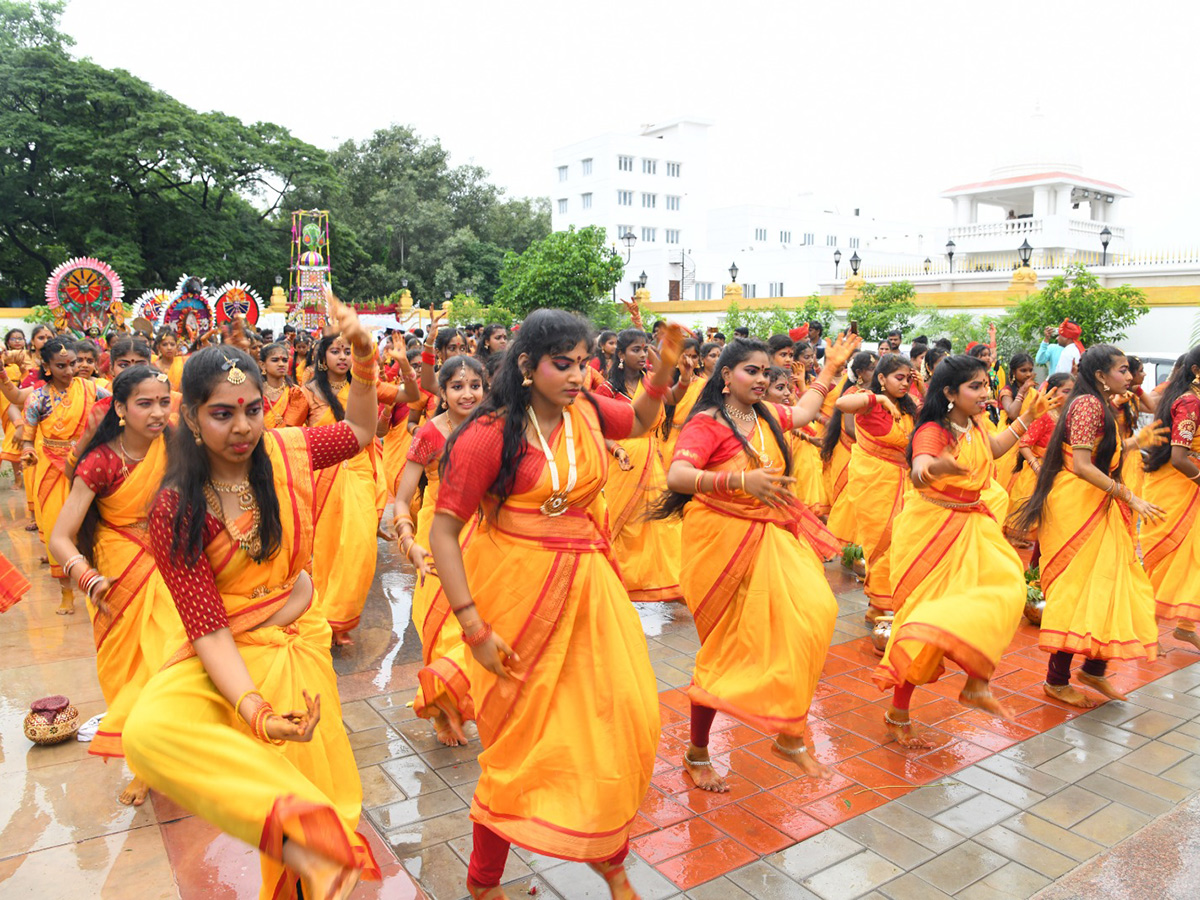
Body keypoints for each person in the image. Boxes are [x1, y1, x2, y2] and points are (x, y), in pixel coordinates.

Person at [124, 293, 383, 900]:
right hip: (233, 656)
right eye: (221, 414)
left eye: (251, 410)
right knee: (148, 732)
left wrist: (365, 362)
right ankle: (311, 859)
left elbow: (362, 431)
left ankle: (317, 867)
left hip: (298, 645)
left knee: (314, 793)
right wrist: (257, 713)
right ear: (190, 417)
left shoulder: (288, 451)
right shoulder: (176, 506)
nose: (241, 427)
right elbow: (208, 629)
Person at [427, 310, 684, 900]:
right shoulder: (491, 433)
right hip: (516, 600)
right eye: (561, 364)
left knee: (619, 723)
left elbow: (642, 420)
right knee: (522, 746)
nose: (576, 375)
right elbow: (445, 531)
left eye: (584, 363)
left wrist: (663, 365)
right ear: (525, 366)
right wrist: (473, 627)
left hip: (591, 594)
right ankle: (484, 883)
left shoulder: (588, 410)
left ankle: (609, 858)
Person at [659, 334, 859, 789]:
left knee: (815, 614)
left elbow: (806, 411)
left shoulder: (765, 416)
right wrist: (739, 480)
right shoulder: (708, 422)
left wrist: (830, 368)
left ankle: (788, 735)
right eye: (752, 371)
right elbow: (678, 475)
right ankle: (697, 752)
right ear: (726, 377)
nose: (762, 379)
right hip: (720, 543)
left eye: (766, 372)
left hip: (770, 536)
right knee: (724, 649)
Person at [872, 355, 1043, 746]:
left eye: (986, 385)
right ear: (950, 393)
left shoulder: (975, 423)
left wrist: (1026, 418)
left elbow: (996, 448)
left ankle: (976, 682)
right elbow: (919, 471)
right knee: (927, 622)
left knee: (1006, 592)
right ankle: (898, 713)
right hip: (932, 528)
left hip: (972, 524)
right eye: (975, 387)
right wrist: (938, 469)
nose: (985, 393)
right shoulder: (934, 430)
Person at [47, 365, 177, 805]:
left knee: (171, 666)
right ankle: (141, 766)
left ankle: (176, 754)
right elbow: (60, 537)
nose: (157, 412)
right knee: (128, 675)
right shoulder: (102, 460)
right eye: (145, 403)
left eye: (163, 401)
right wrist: (87, 578)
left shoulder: (176, 445)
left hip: (170, 561)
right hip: (116, 573)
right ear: (120, 408)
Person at [1015, 345, 1166, 707]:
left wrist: (1134, 442)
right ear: (1100, 374)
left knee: (1113, 583)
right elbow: (1082, 465)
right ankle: (1056, 679)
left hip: (1098, 504)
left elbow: (1101, 454)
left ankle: (1094, 670)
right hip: (1077, 506)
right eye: (1123, 370)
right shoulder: (1086, 405)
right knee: (1078, 591)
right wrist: (1129, 497)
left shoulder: (1101, 403)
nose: (1129, 377)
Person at [294, 331, 419, 644]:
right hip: (320, 476)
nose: (342, 357)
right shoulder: (305, 393)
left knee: (359, 548)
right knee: (322, 550)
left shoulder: (367, 388)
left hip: (360, 473)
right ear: (322, 358)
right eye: (335, 351)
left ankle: (339, 615)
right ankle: (320, 619)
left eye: (347, 351)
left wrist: (403, 363)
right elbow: (291, 437)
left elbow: (412, 395)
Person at [393, 355, 486, 747]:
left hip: (483, 535)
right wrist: (408, 541)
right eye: (458, 387)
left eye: (475, 386)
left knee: (481, 621)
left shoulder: (495, 427)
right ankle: (444, 710)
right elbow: (402, 498)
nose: (468, 393)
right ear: (443, 393)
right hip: (438, 534)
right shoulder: (429, 433)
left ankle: (466, 702)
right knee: (441, 627)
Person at [9, 339, 110, 614]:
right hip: (51, 469)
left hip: (87, 465)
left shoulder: (91, 389)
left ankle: (99, 583)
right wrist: (28, 452)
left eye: (73, 363)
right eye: (61, 365)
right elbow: (28, 437)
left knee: (94, 525)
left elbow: (117, 404)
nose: (70, 370)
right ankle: (67, 593)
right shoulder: (38, 397)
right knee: (58, 530)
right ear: (47, 367)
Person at [593, 328, 687, 603]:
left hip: (651, 457)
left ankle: (667, 580)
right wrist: (618, 449)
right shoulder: (608, 389)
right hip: (622, 461)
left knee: (661, 521)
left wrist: (685, 378)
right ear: (620, 354)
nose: (642, 354)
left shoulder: (649, 381)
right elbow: (599, 428)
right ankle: (620, 580)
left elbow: (672, 398)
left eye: (645, 349)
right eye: (636, 349)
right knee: (626, 525)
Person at [830, 354, 918, 621]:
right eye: (898, 378)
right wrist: (878, 398)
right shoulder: (867, 401)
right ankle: (880, 603)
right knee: (882, 541)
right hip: (875, 483)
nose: (904, 384)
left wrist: (921, 388)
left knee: (903, 541)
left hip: (906, 482)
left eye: (907, 379)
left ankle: (885, 603)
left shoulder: (907, 407)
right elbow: (841, 403)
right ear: (881, 378)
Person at [1141, 345, 1200, 652]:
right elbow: (1179, 457)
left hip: (1187, 486)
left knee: (1192, 559)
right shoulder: (1190, 401)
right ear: (1196, 371)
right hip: (1177, 486)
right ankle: (1146, 630)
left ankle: (1185, 626)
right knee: (1166, 558)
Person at [258, 342, 305, 429]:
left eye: (285, 360)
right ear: (262, 365)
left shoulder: (295, 392)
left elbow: (294, 425)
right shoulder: (256, 392)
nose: (281, 364)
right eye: (275, 360)